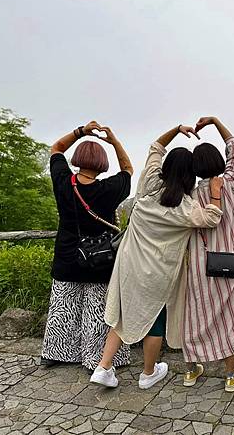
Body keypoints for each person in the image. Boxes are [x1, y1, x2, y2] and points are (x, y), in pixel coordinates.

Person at [90, 124, 224, 390]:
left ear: (167, 168)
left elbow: (155, 148)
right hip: (158, 273)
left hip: (129, 265)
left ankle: (104, 367)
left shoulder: (149, 185)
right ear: (190, 176)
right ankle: (148, 373)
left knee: (123, 315)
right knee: (155, 319)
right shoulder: (185, 207)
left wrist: (176, 130)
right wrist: (217, 193)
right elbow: (212, 218)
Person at [42, 121, 133, 370]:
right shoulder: (109, 189)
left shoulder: (63, 181)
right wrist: (113, 141)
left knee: (64, 305)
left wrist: (81, 131)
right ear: (102, 164)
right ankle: (96, 358)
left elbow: (57, 147)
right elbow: (128, 170)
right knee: (97, 310)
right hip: (99, 258)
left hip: (67, 254)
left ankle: (58, 353)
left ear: (77, 159)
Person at [176, 116, 234, 393]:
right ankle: (231, 375)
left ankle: (190, 371)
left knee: (197, 315)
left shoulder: (190, 195)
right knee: (229, 317)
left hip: (199, 263)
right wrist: (215, 122)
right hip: (230, 260)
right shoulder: (230, 183)